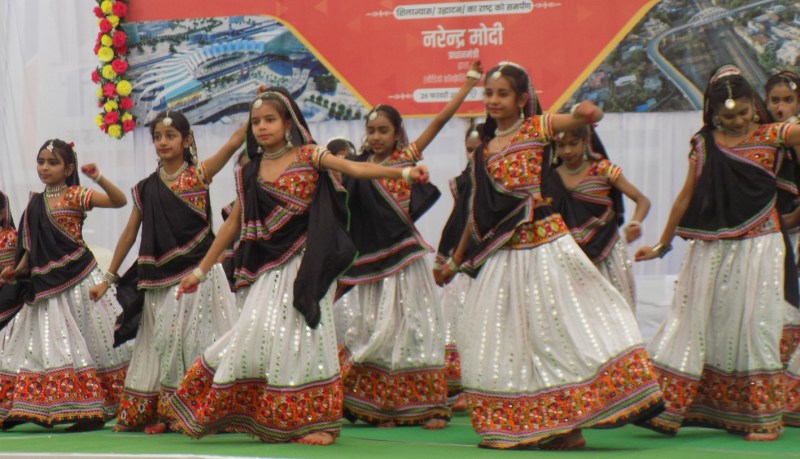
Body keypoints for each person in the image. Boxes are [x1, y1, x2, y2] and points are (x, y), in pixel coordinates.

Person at [167, 87, 430, 446]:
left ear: (288, 122)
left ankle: (315, 420)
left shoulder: (309, 155)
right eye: (256, 121)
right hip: (269, 268)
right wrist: (200, 271)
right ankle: (263, 410)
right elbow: (232, 225)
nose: (261, 127)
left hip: (308, 265)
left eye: (270, 119)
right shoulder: (251, 170)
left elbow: (352, 167)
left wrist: (403, 174)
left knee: (307, 335)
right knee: (256, 330)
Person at [438, 62, 664, 450]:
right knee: (506, 339)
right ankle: (528, 425)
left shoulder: (535, 129)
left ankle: (571, 427)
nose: (493, 100)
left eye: (502, 93)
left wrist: (589, 113)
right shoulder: (485, 151)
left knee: (554, 336)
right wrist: (454, 260)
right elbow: (475, 212)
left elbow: (579, 117)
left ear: (523, 99)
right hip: (505, 256)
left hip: (544, 248)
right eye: (489, 93)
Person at [635, 65, 800, 441]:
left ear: (753, 106)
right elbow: (685, 197)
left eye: (744, 112)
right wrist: (663, 244)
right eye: (728, 116)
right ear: (712, 113)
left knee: (757, 327)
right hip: (712, 250)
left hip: (761, 245)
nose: (739, 121)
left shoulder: (775, 136)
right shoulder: (704, 143)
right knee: (701, 323)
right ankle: (693, 407)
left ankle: (764, 418)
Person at [337, 61, 483, 430]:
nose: (375, 137)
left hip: (404, 262)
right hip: (372, 266)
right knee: (374, 332)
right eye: (370, 131)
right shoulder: (358, 166)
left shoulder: (406, 158)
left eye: (383, 131)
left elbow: (438, 121)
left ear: (397, 133)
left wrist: (467, 85)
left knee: (414, 330)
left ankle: (431, 407)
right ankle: (382, 408)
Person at [89, 111, 245, 434]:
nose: (163, 142)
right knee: (165, 344)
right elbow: (129, 234)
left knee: (198, 341)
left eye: (170, 136)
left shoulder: (199, 175)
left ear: (187, 140)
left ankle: (206, 410)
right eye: (158, 137)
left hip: (199, 275)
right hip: (160, 282)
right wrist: (108, 279)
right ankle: (169, 414)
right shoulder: (146, 188)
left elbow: (232, 144)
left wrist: (260, 105)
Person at [0, 140, 132, 431]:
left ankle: (90, 410)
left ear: (68, 168)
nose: (45, 168)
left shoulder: (76, 195)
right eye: (41, 161)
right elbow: (31, 249)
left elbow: (120, 200)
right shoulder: (34, 202)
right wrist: (16, 270)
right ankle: (25, 406)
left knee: (86, 345)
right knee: (37, 345)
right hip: (44, 287)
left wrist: (98, 177)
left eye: (53, 162)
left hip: (79, 281)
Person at [545, 125, 650, 309]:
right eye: (561, 145)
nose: (567, 150)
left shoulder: (603, 170)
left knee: (614, 312)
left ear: (586, 141)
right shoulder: (549, 178)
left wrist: (635, 223)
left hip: (607, 252)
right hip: (568, 258)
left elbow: (642, 200)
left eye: (573, 143)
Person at [433, 123, 482, 411]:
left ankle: (478, 388)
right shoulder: (465, 181)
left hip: (491, 261)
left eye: (478, 149)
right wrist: (444, 258)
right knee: (458, 320)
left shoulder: (498, 178)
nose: (473, 155)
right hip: (463, 265)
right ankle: (463, 388)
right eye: (469, 150)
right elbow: (458, 220)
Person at [764, 70, 800, 364]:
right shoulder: (764, 136)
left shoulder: (795, 134)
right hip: (770, 231)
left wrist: (796, 216)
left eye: (788, 100)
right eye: (775, 100)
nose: (781, 107)